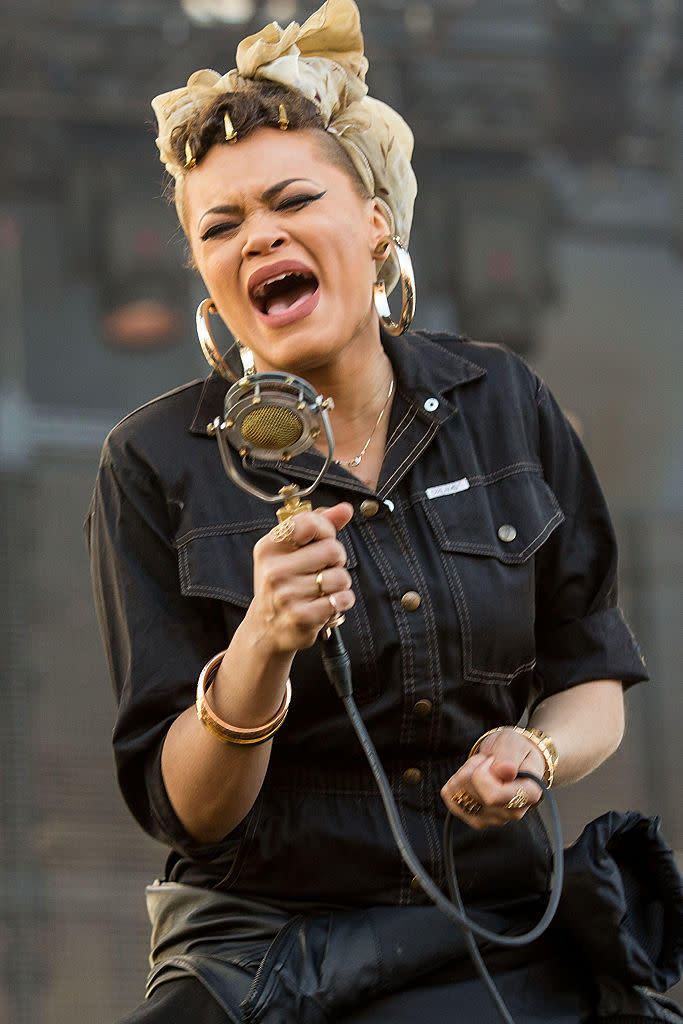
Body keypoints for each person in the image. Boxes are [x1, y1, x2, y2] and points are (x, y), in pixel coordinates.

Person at [86, 1, 681, 1021]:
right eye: (219, 226)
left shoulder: (503, 400)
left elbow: (591, 680)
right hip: (269, 947)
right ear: (207, 279)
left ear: (373, 224)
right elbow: (190, 808)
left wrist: (531, 754)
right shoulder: (150, 462)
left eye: (289, 201)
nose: (256, 235)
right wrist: (262, 645)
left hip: (498, 915)